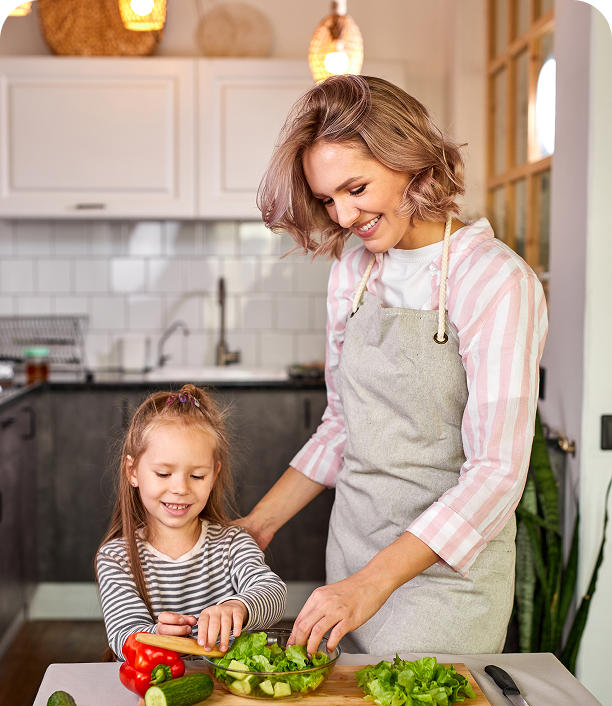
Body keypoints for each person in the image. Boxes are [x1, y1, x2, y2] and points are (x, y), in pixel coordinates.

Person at [241, 75, 548, 657]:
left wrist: (371, 585)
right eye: (329, 198)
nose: (345, 214)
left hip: (444, 586)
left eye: (356, 187)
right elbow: (342, 425)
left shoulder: (496, 282)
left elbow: (496, 476)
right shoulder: (353, 271)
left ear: (412, 161)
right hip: (350, 562)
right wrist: (258, 524)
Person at [96, 384, 287, 659]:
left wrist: (239, 606)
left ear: (214, 474)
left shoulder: (233, 543)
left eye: (196, 476)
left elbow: (273, 592)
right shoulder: (116, 558)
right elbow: (123, 635)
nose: (180, 488)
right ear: (133, 471)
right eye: (163, 473)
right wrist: (157, 637)